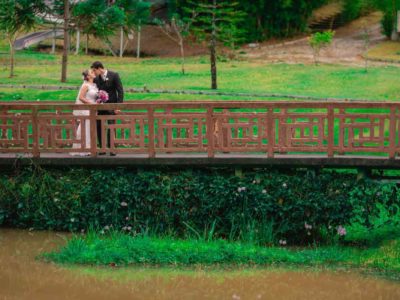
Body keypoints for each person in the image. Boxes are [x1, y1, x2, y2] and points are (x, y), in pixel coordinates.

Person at [91, 61, 124, 156]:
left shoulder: (114, 75)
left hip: (112, 107)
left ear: (99, 68)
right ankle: (102, 148)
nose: (94, 72)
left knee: (111, 127)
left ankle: (112, 148)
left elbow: (120, 91)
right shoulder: (96, 79)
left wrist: (118, 106)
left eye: (94, 70)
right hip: (100, 107)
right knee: (99, 127)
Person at [70, 69, 98, 156]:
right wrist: (92, 104)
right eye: (92, 73)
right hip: (87, 109)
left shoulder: (94, 85)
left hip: (93, 109)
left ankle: (90, 147)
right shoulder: (85, 85)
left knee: (91, 128)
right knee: (85, 128)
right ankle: (83, 149)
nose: (94, 73)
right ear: (88, 76)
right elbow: (81, 97)